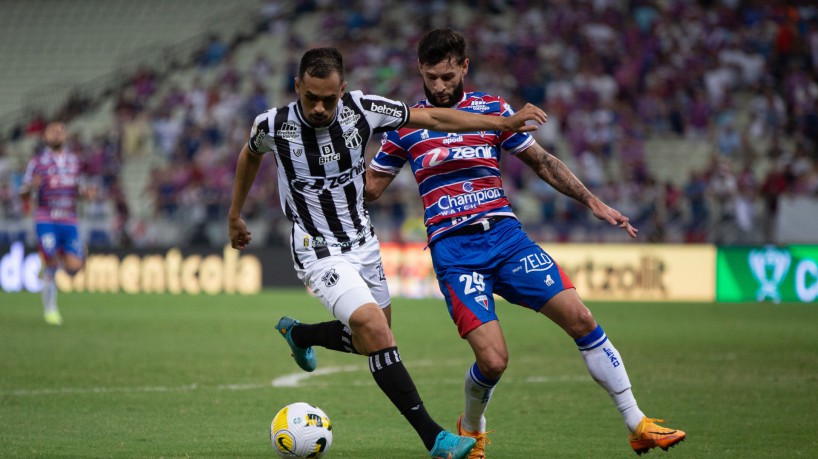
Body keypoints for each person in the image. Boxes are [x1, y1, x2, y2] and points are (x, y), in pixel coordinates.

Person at [364, 28, 687, 457]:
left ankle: (637, 422)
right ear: (420, 71)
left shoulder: (493, 110)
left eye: (446, 76)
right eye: (430, 77)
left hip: (506, 239)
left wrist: (592, 200)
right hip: (455, 253)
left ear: (464, 67)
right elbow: (370, 190)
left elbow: (541, 162)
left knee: (582, 319)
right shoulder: (407, 125)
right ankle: (473, 426)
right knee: (494, 361)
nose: (438, 87)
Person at [227, 47, 546, 459]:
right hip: (317, 247)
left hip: (363, 241)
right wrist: (235, 214)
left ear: (343, 89)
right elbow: (249, 154)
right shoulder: (272, 125)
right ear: (297, 87)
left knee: (371, 341)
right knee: (375, 331)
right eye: (311, 98)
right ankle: (436, 439)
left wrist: (500, 124)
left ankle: (301, 333)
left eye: (330, 98)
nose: (321, 107)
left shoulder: (363, 108)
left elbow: (434, 117)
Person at [20, 121, 89, 326]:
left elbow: (80, 189)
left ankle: (62, 257)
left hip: (69, 219)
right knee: (50, 262)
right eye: (53, 132)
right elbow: (23, 193)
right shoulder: (37, 162)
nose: (57, 134)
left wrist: (86, 194)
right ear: (45, 137)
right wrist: (31, 187)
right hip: (46, 218)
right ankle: (50, 310)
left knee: (74, 267)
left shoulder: (75, 161)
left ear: (66, 136)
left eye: (61, 131)